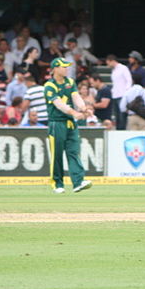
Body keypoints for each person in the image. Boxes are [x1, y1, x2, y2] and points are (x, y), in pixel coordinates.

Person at [44, 58, 91, 194]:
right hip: (56, 123)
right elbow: (59, 104)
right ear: (55, 69)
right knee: (57, 155)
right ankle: (57, 183)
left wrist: (83, 108)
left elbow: (76, 97)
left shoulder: (70, 82)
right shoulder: (49, 86)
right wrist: (74, 113)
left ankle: (78, 181)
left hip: (70, 123)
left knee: (73, 152)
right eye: (63, 67)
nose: (66, 69)